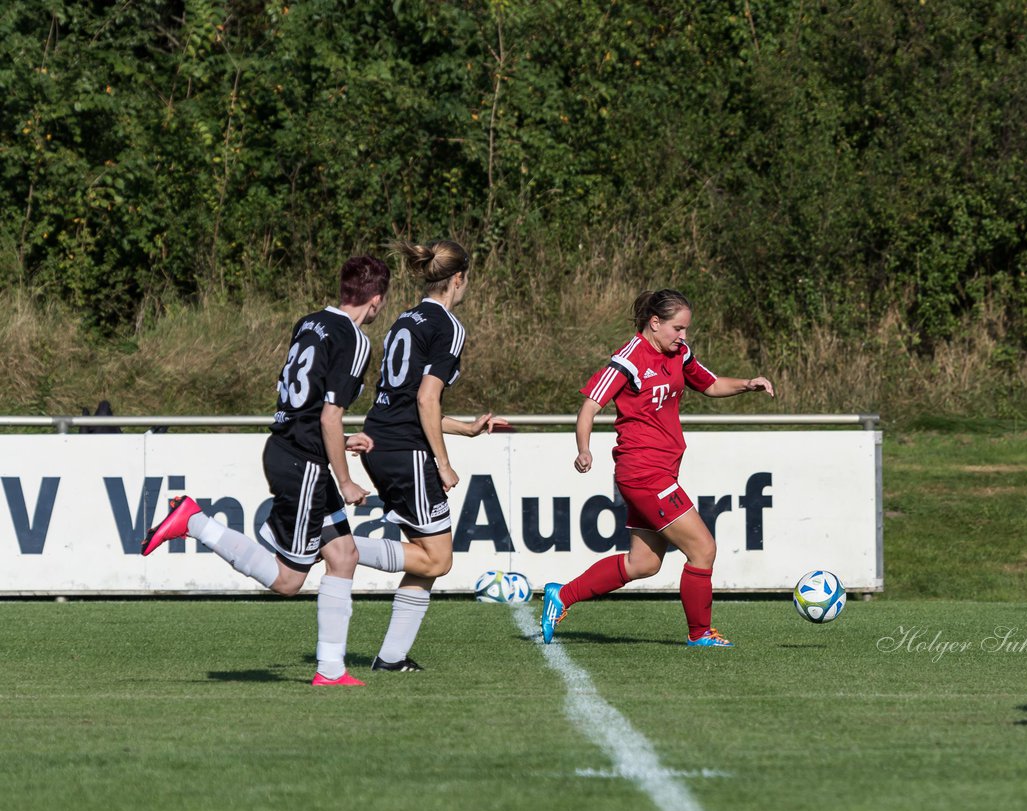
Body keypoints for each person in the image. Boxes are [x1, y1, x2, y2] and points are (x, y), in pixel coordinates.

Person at [141, 255, 391, 687]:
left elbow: (307, 404)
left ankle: (331, 670)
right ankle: (194, 521)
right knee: (289, 579)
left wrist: (339, 443)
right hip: (304, 462)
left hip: (290, 448)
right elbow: (330, 415)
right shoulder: (356, 339)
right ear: (376, 300)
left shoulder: (309, 322)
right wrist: (346, 478)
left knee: (344, 556)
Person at [540, 288, 775, 647]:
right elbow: (589, 406)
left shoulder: (679, 354)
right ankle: (700, 635)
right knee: (703, 549)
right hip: (643, 473)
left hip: (662, 471)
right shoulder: (629, 359)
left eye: (685, 330)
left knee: (643, 564)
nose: (683, 336)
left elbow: (709, 384)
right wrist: (584, 449)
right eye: (678, 328)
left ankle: (562, 596)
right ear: (654, 323)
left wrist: (748, 384)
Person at [349, 239, 506, 672]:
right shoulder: (448, 326)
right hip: (408, 451)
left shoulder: (407, 317)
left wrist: (466, 429)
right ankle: (337, 545)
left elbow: (410, 402)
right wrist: (443, 461)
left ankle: (392, 657)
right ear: (459, 278)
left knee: (425, 556)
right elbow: (425, 399)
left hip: (383, 440)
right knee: (438, 558)